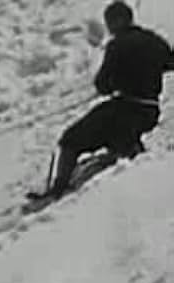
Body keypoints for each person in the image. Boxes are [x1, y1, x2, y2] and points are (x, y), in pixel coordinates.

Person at [33, 1, 174, 200]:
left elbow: (103, 84)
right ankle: (126, 150)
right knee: (119, 135)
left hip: (124, 109)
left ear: (116, 22)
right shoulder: (154, 41)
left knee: (70, 139)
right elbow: (170, 63)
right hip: (150, 111)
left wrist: (116, 83)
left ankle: (58, 190)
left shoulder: (118, 44)